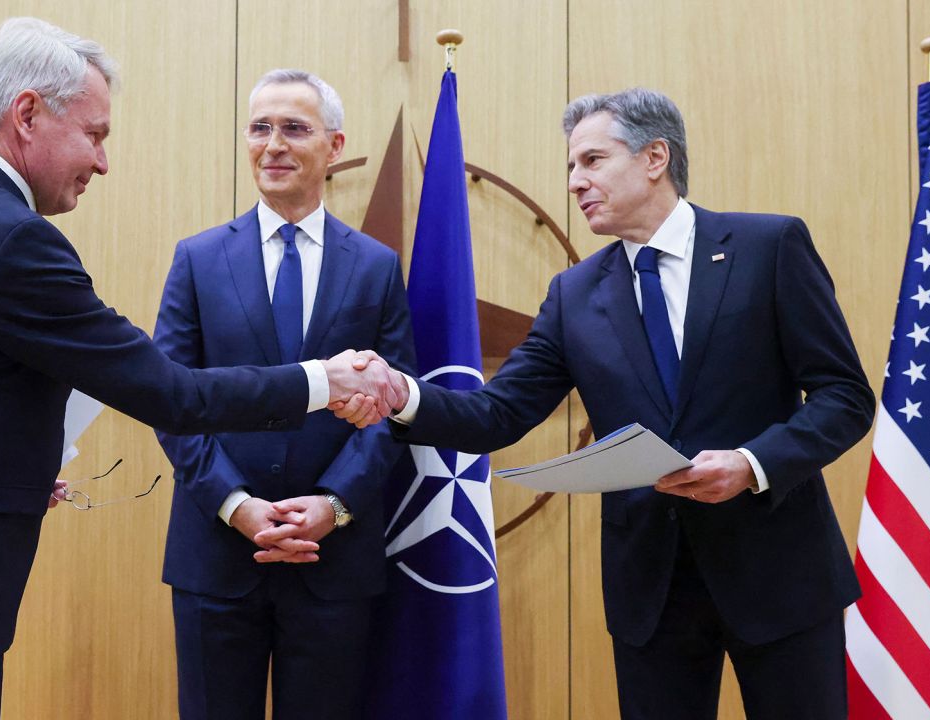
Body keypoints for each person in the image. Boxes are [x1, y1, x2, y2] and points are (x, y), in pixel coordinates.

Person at [0, 19, 401, 720]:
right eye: (95, 135)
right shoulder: (13, 239)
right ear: (28, 114)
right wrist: (326, 382)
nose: (103, 161)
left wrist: (3, 462)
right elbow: (169, 391)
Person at [368, 88, 875, 719]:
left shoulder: (768, 249)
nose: (576, 183)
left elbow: (845, 396)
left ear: (655, 157)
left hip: (779, 575)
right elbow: (495, 416)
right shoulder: (574, 294)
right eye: (571, 169)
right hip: (651, 591)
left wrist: (752, 463)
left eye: (592, 161)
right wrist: (402, 395)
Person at [153, 68, 416, 720]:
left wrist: (335, 504)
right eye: (259, 128)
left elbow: (392, 407)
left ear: (333, 144)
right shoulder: (198, 258)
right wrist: (236, 504)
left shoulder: (378, 268)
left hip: (334, 558)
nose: (273, 144)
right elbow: (169, 399)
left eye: (294, 128)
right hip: (216, 554)